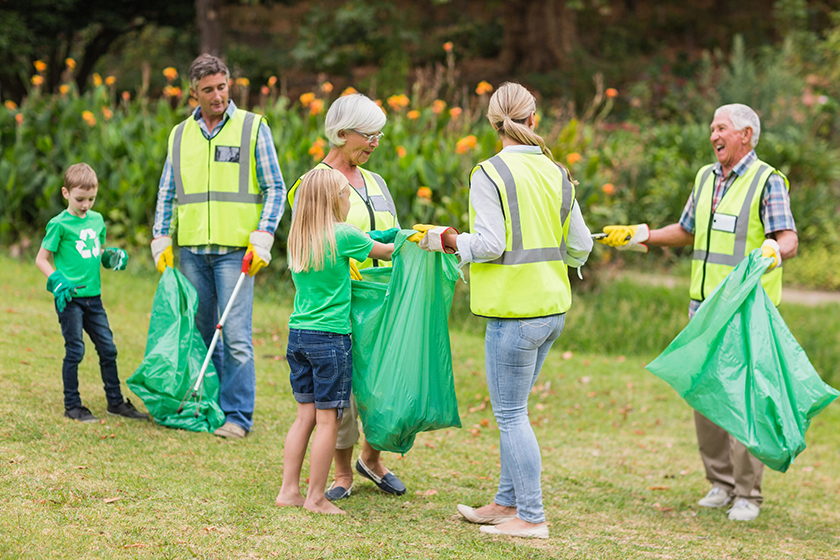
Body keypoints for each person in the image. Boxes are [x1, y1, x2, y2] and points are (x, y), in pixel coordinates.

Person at [597, 103, 798, 522]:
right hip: (702, 310)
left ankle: (747, 494)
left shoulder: (768, 181)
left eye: (720, 127)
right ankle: (721, 484)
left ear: (746, 134)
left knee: (744, 399)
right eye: (711, 128)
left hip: (746, 310)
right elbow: (687, 231)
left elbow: (789, 238)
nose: (713, 135)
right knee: (705, 397)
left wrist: (774, 250)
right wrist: (641, 235)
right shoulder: (706, 178)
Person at [435, 82, 593, 539]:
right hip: (550, 310)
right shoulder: (556, 172)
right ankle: (506, 503)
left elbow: (489, 245)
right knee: (514, 410)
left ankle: (531, 516)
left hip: (515, 313)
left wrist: (446, 241)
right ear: (533, 120)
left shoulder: (490, 173)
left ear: (492, 123)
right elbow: (580, 245)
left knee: (510, 414)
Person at [151, 54, 286, 439]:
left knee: (237, 337)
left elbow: (275, 187)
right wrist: (161, 236)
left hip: (236, 252)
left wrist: (264, 234)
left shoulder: (252, 127)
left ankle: (238, 417)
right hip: (192, 250)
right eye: (208, 90)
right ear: (193, 92)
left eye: (222, 87)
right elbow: (167, 192)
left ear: (230, 85)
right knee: (203, 332)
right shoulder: (180, 135)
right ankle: (210, 406)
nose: (217, 96)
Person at [287, 93, 406, 500]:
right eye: (368, 135)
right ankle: (340, 475)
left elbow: (393, 233)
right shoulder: (314, 184)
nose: (375, 143)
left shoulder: (377, 183)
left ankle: (371, 458)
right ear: (341, 133)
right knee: (339, 400)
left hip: (382, 299)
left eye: (380, 135)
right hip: (342, 304)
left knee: (384, 386)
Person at [275, 168, 394, 514]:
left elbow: (366, 238)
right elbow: (384, 251)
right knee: (329, 421)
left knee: (304, 418)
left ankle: (289, 491)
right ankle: (316, 498)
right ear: (333, 200)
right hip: (330, 339)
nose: (349, 198)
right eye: (345, 194)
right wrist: (408, 239)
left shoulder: (300, 237)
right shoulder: (343, 235)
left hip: (299, 335)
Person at [35, 163, 148, 423]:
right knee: (75, 351)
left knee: (108, 349)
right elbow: (41, 259)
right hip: (69, 299)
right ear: (66, 193)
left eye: (91, 199)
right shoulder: (58, 224)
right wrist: (57, 280)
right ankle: (72, 406)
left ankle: (115, 402)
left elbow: (97, 252)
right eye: (80, 199)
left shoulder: (97, 220)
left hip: (93, 299)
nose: (86, 204)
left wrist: (109, 257)